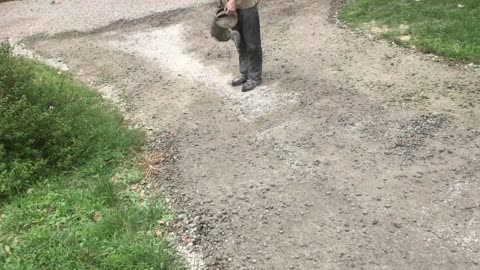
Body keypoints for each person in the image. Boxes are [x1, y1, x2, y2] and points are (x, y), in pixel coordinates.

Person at [221, 0, 263, 92]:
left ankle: (254, 76)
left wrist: (233, 1)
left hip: (246, 5)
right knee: (239, 42)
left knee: (252, 43)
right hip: (231, 7)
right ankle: (245, 73)